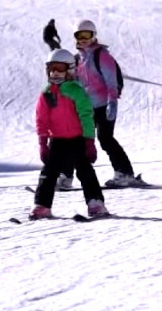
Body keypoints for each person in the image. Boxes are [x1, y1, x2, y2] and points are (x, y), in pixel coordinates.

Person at [61, 19, 141, 189]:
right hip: (85, 107)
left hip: (104, 105)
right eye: (79, 35)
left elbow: (111, 81)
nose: (83, 39)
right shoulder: (77, 59)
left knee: (105, 138)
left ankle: (124, 173)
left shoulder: (102, 56)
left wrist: (112, 102)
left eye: (87, 35)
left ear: (94, 35)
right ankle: (65, 176)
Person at [31, 49, 107, 219]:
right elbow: (41, 119)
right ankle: (42, 205)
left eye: (59, 68)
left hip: (77, 139)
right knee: (48, 173)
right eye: (51, 69)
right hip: (57, 140)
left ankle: (95, 203)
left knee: (85, 171)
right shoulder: (46, 93)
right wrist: (43, 142)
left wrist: (89, 141)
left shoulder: (76, 91)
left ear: (70, 70)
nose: (55, 73)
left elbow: (86, 116)